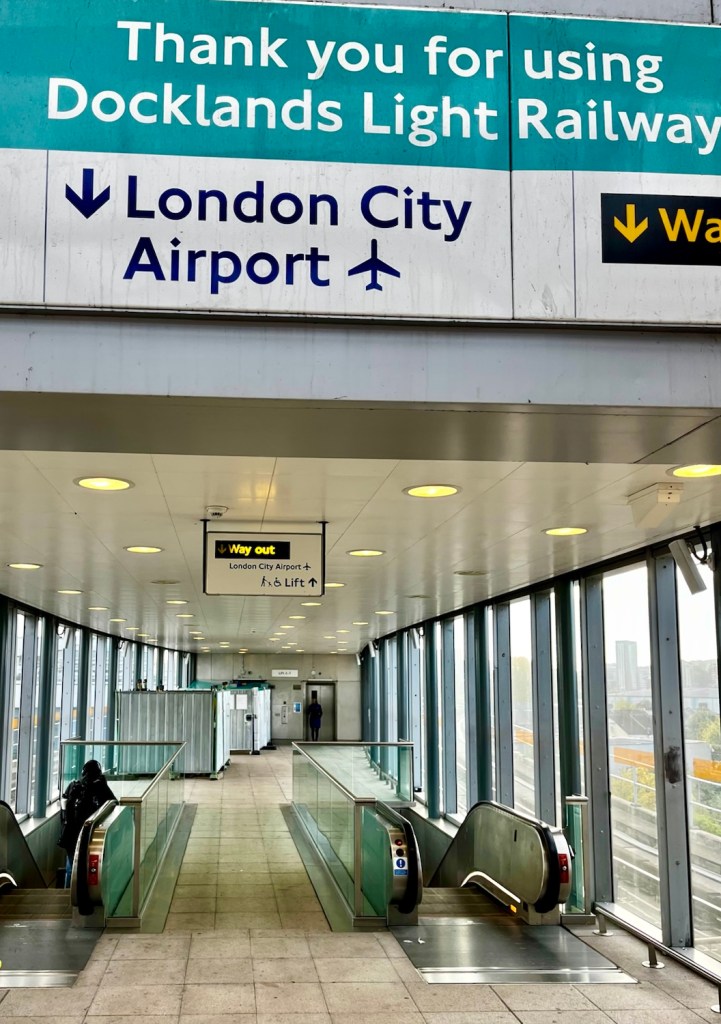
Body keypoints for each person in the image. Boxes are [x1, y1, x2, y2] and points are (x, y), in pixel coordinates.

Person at [58, 760, 116, 887]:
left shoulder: (73, 786)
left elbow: (64, 810)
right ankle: (83, 893)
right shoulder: (99, 787)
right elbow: (113, 804)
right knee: (89, 867)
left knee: (71, 867)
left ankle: (68, 893)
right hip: (90, 835)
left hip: (70, 835)